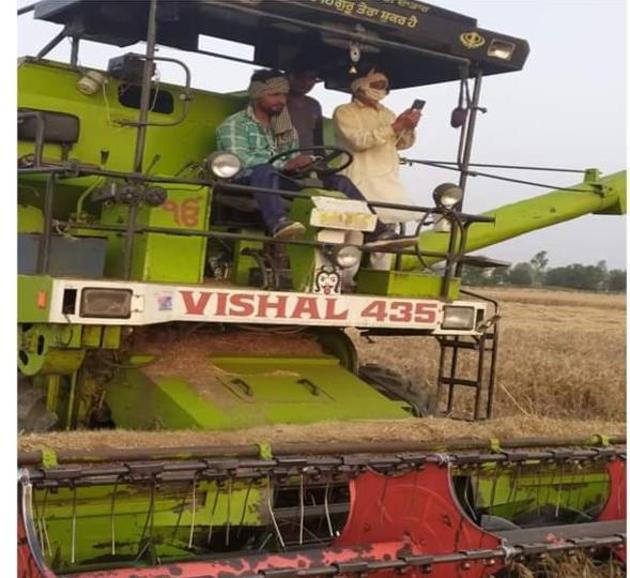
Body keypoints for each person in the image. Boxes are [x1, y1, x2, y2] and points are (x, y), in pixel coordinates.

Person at [216, 69, 370, 240]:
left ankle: (378, 233)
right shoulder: (234, 124)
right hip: (246, 181)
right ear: (257, 95)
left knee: (339, 181)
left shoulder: (286, 128)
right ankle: (279, 223)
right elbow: (241, 161)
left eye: (284, 95)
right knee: (264, 170)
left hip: (280, 179)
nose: (281, 100)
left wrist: (306, 163)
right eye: (275, 95)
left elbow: (291, 157)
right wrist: (285, 165)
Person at [333, 68, 422, 229]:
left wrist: (408, 127)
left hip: (389, 185)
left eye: (385, 87)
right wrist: (396, 126)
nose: (382, 90)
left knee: (386, 242)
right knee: (355, 236)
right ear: (360, 86)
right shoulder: (344, 112)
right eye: (377, 85)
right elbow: (358, 141)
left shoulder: (387, 113)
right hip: (360, 182)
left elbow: (402, 144)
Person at [286, 61, 323, 148]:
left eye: (311, 78)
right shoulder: (277, 103)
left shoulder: (314, 105)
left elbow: (318, 142)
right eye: (300, 77)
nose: (305, 82)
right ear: (289, 76)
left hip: (309, 160)